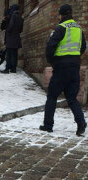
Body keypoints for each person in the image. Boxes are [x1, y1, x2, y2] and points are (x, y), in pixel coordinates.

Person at [39, 4, 87, 136]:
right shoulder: (79, 28)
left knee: (52, 96)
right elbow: (83, 46)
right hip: (74, 67)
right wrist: (75, 58)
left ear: (61, 15)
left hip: (61, 67)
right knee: (72, 98)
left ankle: (48, 125)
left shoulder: (61, 28)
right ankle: (81, 122)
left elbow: (50, 46)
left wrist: (52, 61)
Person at [1, 4, 24, 74]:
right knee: (15, 54)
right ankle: (13, 69)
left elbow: (10, 26)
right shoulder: (21, 17)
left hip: (10, 37)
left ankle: (7, 69)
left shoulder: (12, 16)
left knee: (9, 54)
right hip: (17, 38)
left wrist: (8, 31)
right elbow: (21, 30)